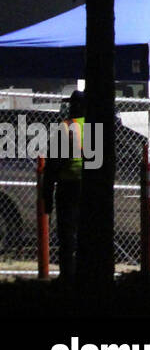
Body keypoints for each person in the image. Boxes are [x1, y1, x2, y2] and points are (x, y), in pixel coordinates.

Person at [41, 90, 86, 282]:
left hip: (67, 187)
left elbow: (52, 166)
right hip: (87, 189)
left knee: (67, 236)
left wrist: (47, 195)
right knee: (86, 235)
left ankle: (67, 276)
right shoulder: (95, 127)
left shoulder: (65, 128)